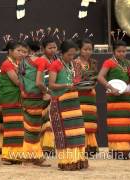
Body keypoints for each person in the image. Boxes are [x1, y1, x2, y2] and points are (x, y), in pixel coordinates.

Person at [48, 40, 88, 170]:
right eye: (69, 55)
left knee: (77, 132)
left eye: (74, 55)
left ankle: (78, 159)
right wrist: (66, 85)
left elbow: (79, 80)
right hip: (60, 102)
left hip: (74, 101)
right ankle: (67, 160)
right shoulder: (55, 65)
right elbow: (51, 85)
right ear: (62, 53)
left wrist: (82, 84)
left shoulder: (75, 64)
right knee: (66, 133)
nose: (72, 57)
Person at [97, 40, 130, 160]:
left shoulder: (128, 63)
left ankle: (128, 148)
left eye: (124, 51)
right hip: (114, 96)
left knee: (127, 123)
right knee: (117, 122)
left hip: (126, 96)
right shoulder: (109, 62)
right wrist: (111, 87)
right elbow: (100, 77)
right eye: (119, 51)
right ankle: (118, 149)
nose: (122, 53)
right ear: (113, 51)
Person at [20, 39, 51, 167]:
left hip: (26, 96)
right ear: (39, 49)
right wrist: (47, 91)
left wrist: (24, 93)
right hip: (37, 97)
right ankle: (32, 157)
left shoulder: (22, 61)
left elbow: (20, 81)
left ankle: (30, 156)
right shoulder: (41, 61)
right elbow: (39, 82)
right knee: (34, 128)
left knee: (29, 127)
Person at [0, 40, 25, 164]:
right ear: (10, 51)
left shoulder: (18, 63)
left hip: (18, 97)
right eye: (18, 51)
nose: (21, 53)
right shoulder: (7, 64)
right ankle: (7, 156)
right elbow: (17, 81)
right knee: (11, 127)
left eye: (22, 51)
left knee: (18, 127)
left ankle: (17, 155)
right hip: (10, 97)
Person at [73, 38, 99, 156]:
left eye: (90, 49)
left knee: (90, 121)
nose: (88, 52)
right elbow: (76, 79)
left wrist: (93, 82)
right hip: (79, 94)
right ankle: (81, 146)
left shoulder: (93, 62)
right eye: (85, 49)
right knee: (81, 120)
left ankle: (90, 146)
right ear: (79, 50)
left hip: (91, 94)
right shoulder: (75, 63)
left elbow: (96, 77)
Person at [39, 37, 58, 156]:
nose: (52, 50)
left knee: (54, 121)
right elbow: (38, 79)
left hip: (56, 94)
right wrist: (45, 92)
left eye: (54, 47)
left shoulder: (57, 60)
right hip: (43, 94)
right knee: (46, 121)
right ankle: (45, 146)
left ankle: (51, 145)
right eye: (49, 48)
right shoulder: (41, 60)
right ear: (43, 49)